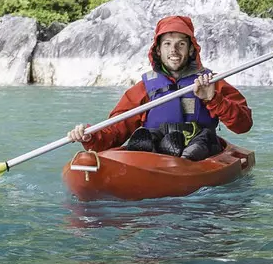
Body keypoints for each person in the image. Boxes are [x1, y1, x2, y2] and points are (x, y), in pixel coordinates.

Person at [66, 14, 251, 161]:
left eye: (181, 44)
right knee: (146, 137)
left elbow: (243, 124)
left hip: (201, 151)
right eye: (168, 44)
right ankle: (158, 152)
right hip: (158, 155)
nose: (174, 51)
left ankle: (183, 156)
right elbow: (114, 132)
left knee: (200, 143)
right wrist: (90, 136)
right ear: (158, 50)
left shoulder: (211, 82)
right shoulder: (143, 89)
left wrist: (213, 99)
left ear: (191, 50)